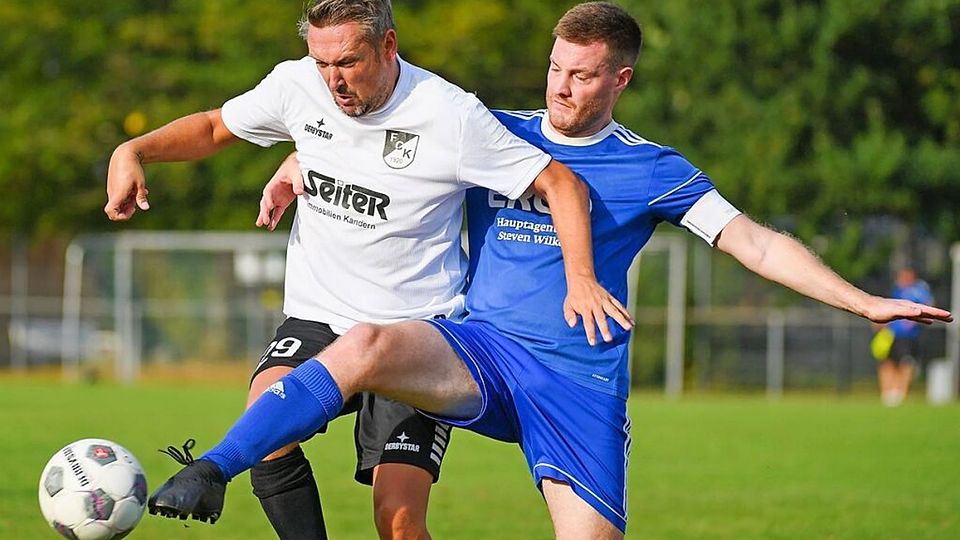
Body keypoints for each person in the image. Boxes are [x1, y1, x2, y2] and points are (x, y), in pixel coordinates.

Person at [146, 2, 953, 538]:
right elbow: (379, 144)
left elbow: (757, 244)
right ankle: (216, 465)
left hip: (578, 383)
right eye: (556, 69)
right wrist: (295, 161)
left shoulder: (654, 169)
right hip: (478, 351)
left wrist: (862, 301)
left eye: (583, 74)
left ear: (619, 79)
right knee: (364, 345)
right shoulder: (493, 128)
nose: (562, 87)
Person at [104, 1, 624, 538]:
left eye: (348, 63)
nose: (333, 80)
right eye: (322, 63)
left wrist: (581, 278)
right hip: (319, 315)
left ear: (388, 46)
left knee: (396, 523)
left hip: (414, 334)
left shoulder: (450, 114)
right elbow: (216, 127)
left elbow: (559, 181)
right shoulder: (296, 85)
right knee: (266, 421)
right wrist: (135, 150)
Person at [873, 268, 935, 406]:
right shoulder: (895, 290)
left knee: (906, 363)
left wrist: (915, 317)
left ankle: (900, 393)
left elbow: (929, 305)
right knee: (886, 362)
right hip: (889, 335)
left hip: (908, 336)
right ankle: (887, 393)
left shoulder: (918, 290)